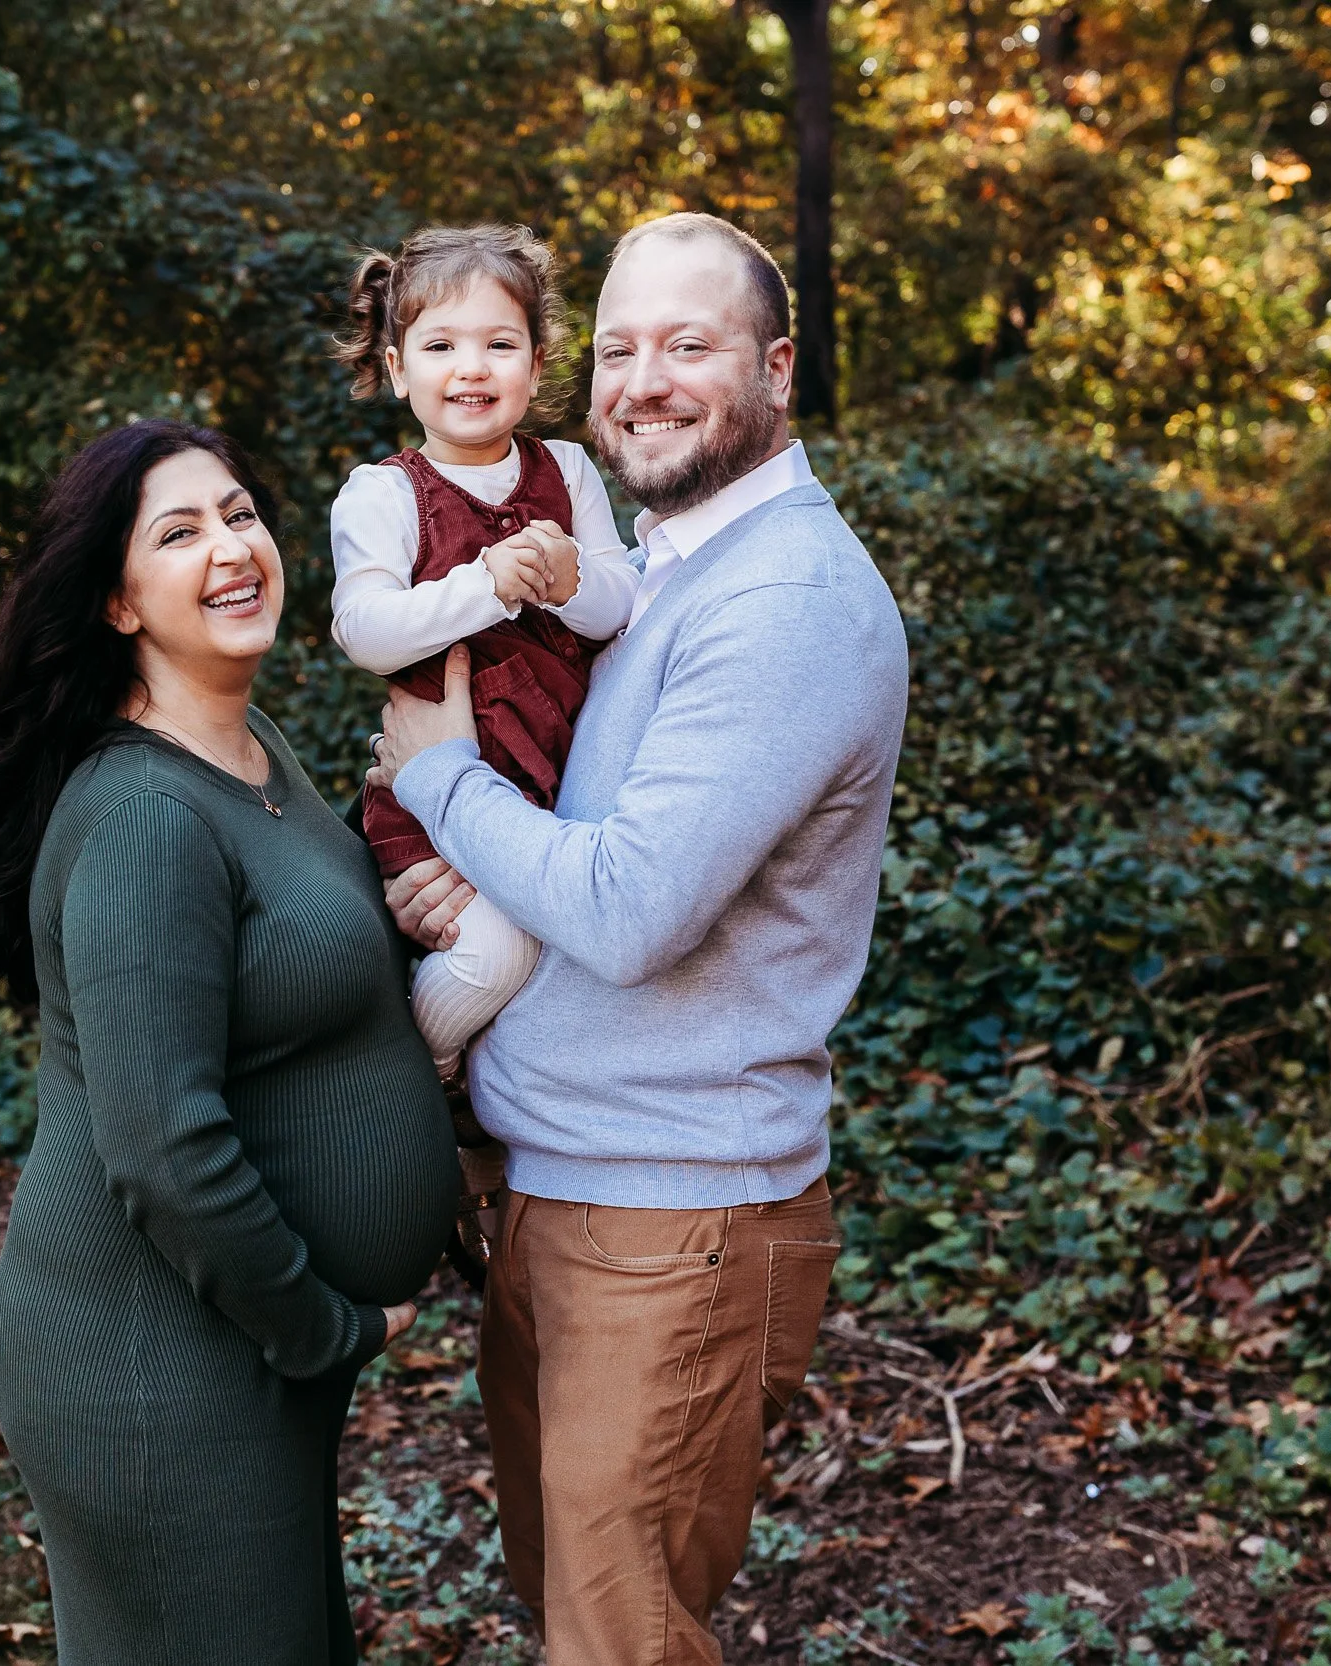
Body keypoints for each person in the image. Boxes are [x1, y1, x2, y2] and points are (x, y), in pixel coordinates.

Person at [372, 214, 912, 1666]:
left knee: (619, 1647)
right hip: (564, 1192)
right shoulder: (658, 567)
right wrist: (471, 874)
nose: (643, 379)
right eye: (618, 347)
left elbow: (626, 905)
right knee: (584, 1625)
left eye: (689, 344)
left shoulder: (785, 597)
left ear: (778, 369)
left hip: (673, 1225)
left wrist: (436, 779)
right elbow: (577, 848)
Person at [0, 421, 458, 1665]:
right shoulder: (146, 815)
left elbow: (300, 991)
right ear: (115, 599)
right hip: (155, 1366)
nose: (231, 549)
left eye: (239, 514)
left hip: (228, 1352)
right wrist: (323, 1328)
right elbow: (161, 1146)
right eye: (179, 533)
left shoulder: (249, 749)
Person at [330, 225, 639, 1096]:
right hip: (430, 800)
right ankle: (412, 1076)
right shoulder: (385, 493)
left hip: (556, 790)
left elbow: (620, 605)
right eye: (440, 345)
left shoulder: (567, 471)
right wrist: (490, 586)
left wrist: (570, 579)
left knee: (561, 957)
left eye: (499, 344)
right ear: (398, 370)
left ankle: (483, 1110)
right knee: (500, 951)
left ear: (537, 367)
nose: (471, 367)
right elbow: (366, 629)